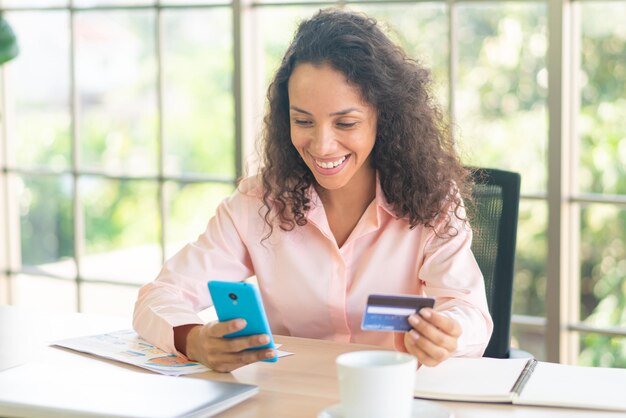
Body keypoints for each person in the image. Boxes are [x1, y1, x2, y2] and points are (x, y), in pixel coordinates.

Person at [133, 8, 493, 373]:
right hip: (288, 398)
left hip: (392, 398)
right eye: (302, 121)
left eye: (346, 122)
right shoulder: (258, 204)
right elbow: (158, 296)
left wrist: (449, 333)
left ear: (384, 118)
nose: (322, 146)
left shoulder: (433, 201)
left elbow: (469, 310)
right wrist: (194, 339)